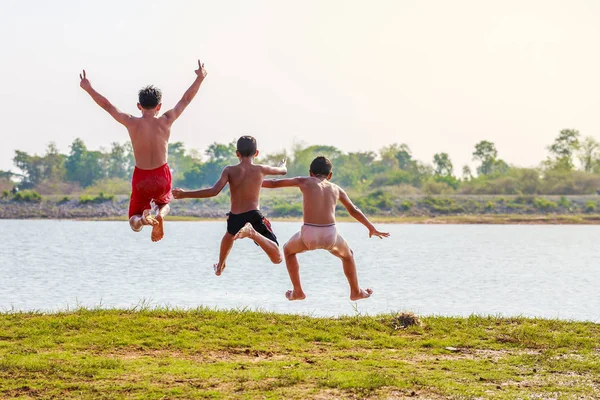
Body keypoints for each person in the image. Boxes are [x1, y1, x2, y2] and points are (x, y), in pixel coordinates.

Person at [79, 60, 207, 242]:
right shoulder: (166, 119)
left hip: (141, 177)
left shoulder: (131, 122)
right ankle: (160, 214)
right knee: (165, 203)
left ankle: (143, 220)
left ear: (139, 105)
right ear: (159, 106)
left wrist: (88, 88)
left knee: (132, 220)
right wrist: (200, 78)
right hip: (162, 175)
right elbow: (186, 100)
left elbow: (108, 106)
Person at [262, 156, 390, 301]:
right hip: (331, 234)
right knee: (348, 255)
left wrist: (249, 182)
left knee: (288, 250)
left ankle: (297, 291)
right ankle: (356, 292)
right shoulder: (336, 188)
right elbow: (353, 209)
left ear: (310, 173)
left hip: (309, 234)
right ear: (330, 175)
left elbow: (273, 183)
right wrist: (371, 227)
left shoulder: (304, 181)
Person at [172, 136, 286, 275]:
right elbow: (282, 171)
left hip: (235, 217)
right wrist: (282, 165)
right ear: (256, 153)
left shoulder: (229, 170)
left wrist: (185, 194)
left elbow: (213, 191)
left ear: (237, 153)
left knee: (229, 234)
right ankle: (253, 234)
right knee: (278, 258)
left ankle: (220, 266)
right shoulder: (260, 169)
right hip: (253, 215)